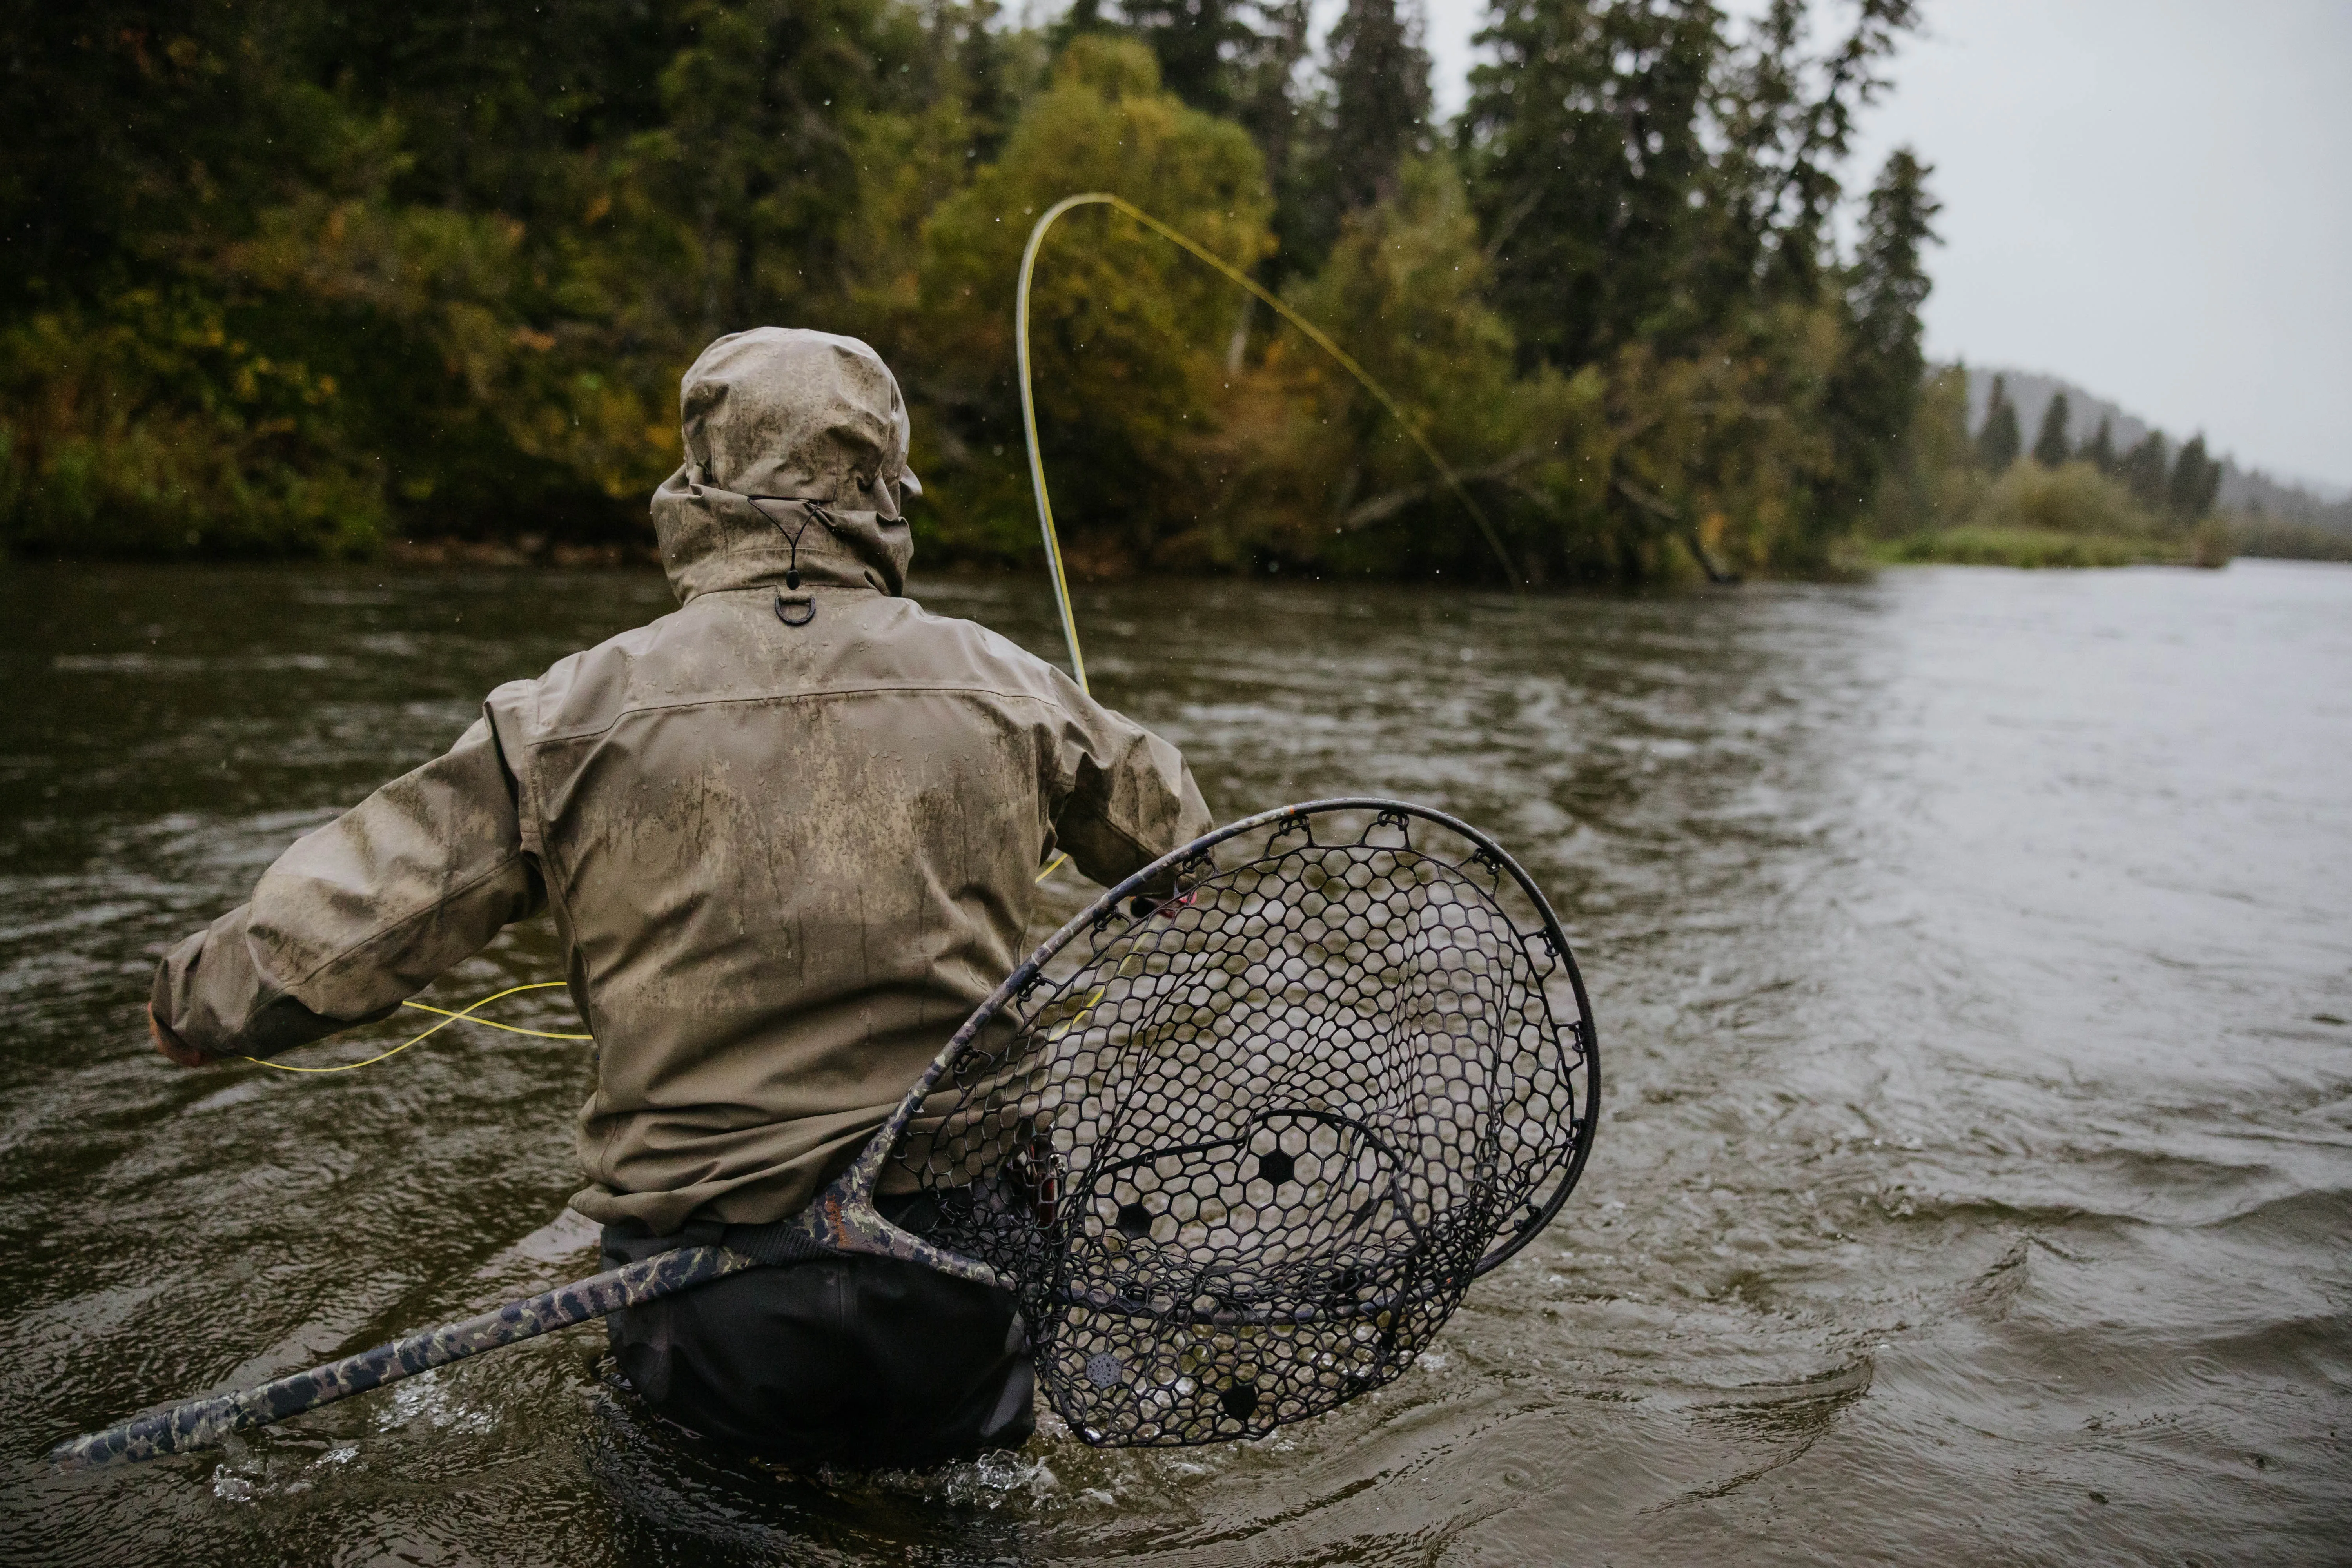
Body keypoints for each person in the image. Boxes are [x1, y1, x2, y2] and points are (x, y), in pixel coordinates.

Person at [145, 327, 1214, 1469]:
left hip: (708, 1295)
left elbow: (363, 906)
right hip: (950, 1275)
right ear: (886, 494)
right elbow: (1189, 858)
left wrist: (197, 1006)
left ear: (698, 484)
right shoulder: (1015, 689)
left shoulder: (564, 716)